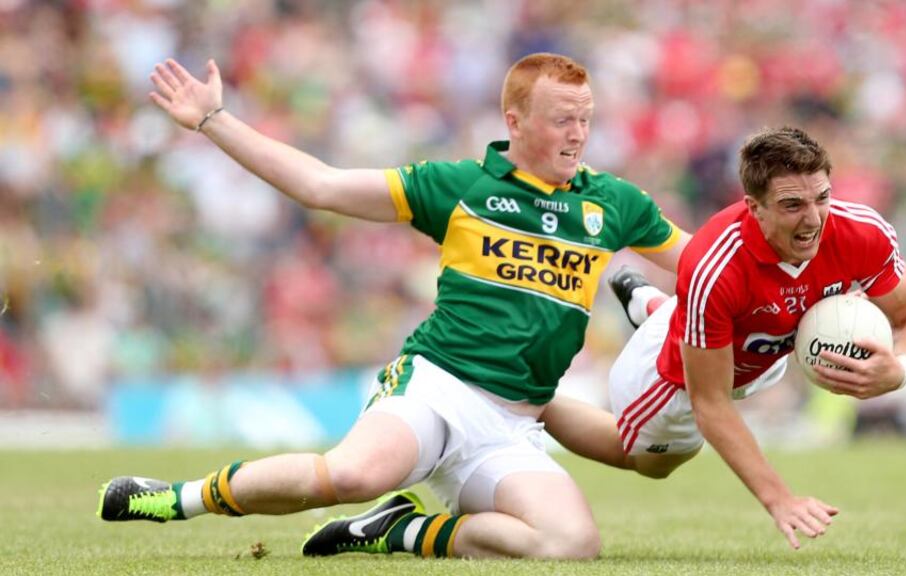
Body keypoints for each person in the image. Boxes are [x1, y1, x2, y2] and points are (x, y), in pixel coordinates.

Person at [96, 53, 690, 560]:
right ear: (515, 120)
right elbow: (320, 186)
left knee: (570, 543)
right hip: (439, 386)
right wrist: (212, 120)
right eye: (563, 120)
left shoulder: (614, 202)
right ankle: (177, 498)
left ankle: (399, 530)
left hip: (514, 423)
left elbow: (704, 262)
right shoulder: (460, 186)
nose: (579, 134)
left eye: (585, 119)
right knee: (352, 475)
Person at [540, 126, 906, 550]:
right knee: (648, 461)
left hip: (764, 351)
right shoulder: (715, 266)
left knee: (738, 329)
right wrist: (778, 498)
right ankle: (532, 400)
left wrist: (901, 369)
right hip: (675, 379)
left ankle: (655, 306)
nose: (814, 218)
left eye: (822, 197)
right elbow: (710, 402)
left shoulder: (862, 232)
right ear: (754, 207)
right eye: (792, 205)